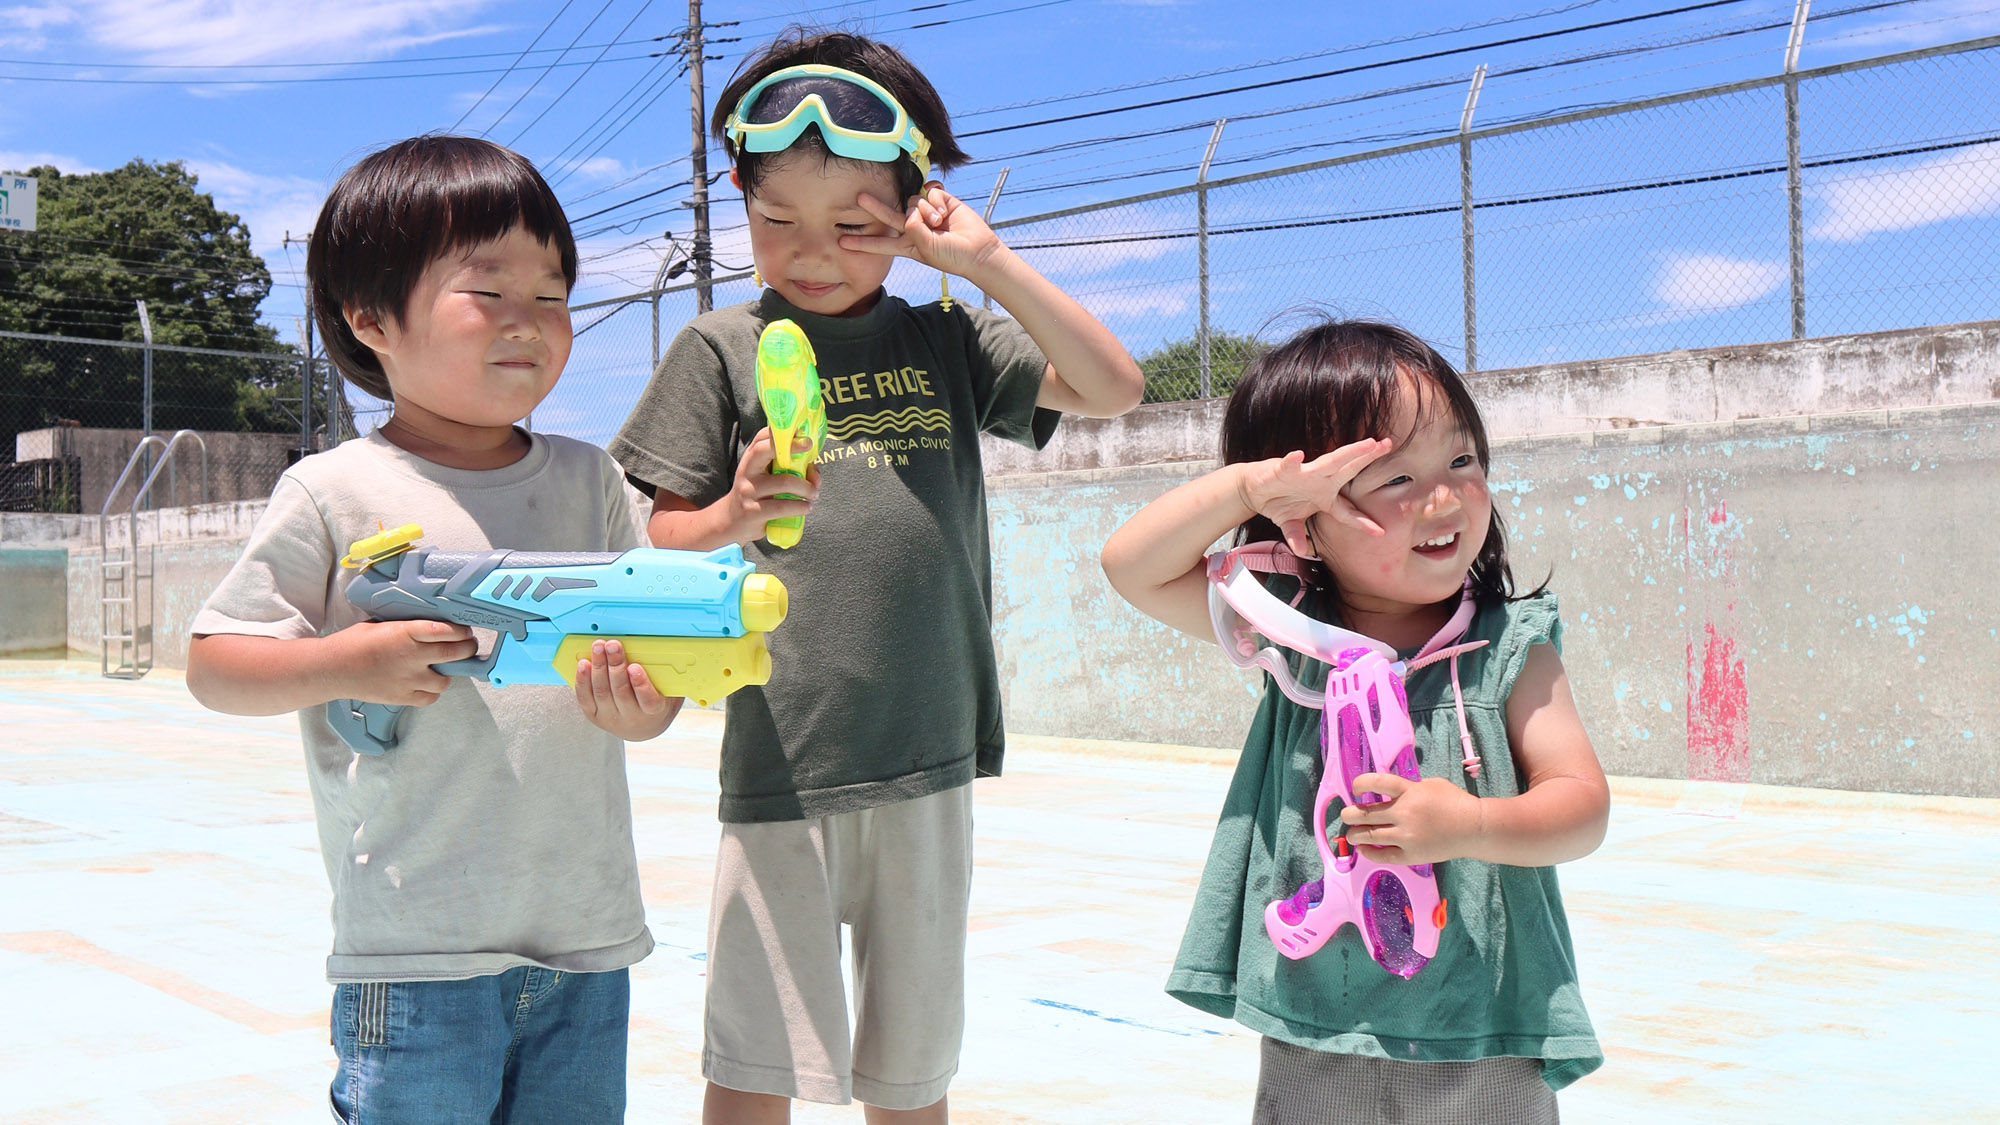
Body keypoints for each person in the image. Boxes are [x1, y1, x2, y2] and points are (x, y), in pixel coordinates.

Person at [608, 29, 1143, 1124]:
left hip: (929, 756)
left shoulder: (945, 338)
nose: (814, 253)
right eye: (775, 223)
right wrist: (733, 513)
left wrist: (986, 264)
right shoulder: (718, 346)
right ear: (735, 198)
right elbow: (658, 538)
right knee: (757, 1068)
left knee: (910, 1074)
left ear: (915, 211)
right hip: (781, 759)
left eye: (857, 226)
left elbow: (1113, 386)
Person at [185, 135, 676, 1124]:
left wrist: (639, 708)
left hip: (582, 938)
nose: (529, 323)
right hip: (413, 949)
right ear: (372, 319)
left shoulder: (592, 482)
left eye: (552, 294)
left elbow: (652, 682)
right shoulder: (335, 490)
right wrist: (343, 661)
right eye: (487, 291)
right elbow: (216, 664)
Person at [1100, 319, 1607, 1124]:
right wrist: (1247, 491)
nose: (1443, 497)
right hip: (1317, 1021)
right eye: (1394, 478)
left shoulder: (1507, 645)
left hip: (1483, 1024)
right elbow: (1129, 564)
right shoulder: (1291, 635)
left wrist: (1470, 822)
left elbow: (1581, 804)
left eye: (1461, 459)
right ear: (1304, 521)